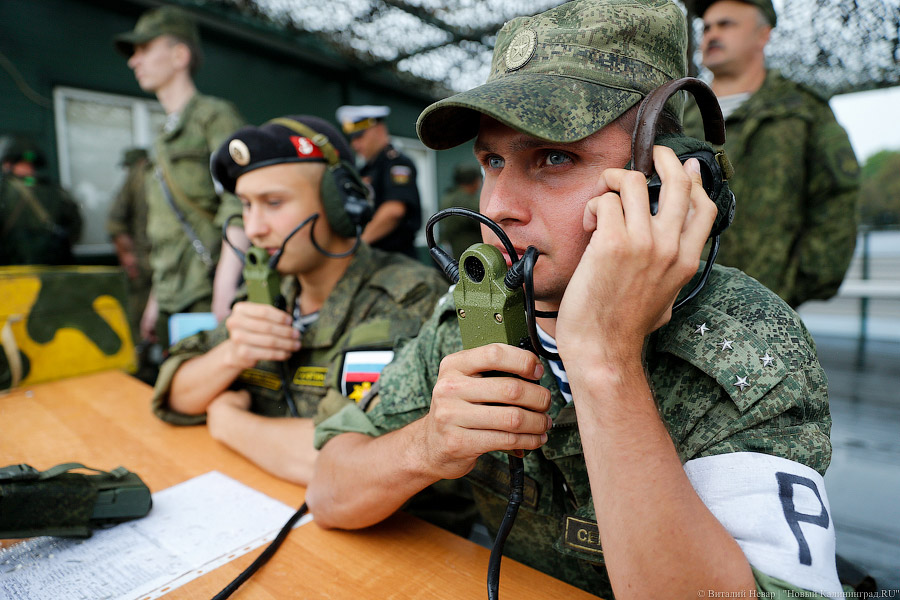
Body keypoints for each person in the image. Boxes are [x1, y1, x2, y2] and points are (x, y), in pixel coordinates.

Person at [307, 1, 845, 599]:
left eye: (554, 157)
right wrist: (428, 444)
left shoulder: (748, 342)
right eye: (492, 161)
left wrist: (603, 361)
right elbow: (328, 490)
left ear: (663, 185)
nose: (497, 207)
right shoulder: (475, 311)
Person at [150, 116, 449, 486]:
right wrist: (234, 353)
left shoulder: (410, 297)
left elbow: (353, 462)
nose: (254, 228)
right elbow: (174, 395)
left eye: (273, 202)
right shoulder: (269, 292)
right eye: (246, 205)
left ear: (340, 203)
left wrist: (228, 422)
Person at [684, 0, 860, 308]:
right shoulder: (679, 114)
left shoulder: (803, 110)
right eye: (707, 27)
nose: (711, 34)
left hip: (766, 306)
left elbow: (836, 197)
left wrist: (796, 282)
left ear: (763, 35)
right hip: (681, 300)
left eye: (726, 24)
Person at [114, 5, 247, 348]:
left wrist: (224, 290)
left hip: (207, 293)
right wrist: (155, 301)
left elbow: (240, 202)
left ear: (179, 56)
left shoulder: (214, 117)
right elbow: (167, 227)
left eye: (145, 49)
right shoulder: (163, 136)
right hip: (171, 295)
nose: (134, 61)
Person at [336, 105, 422, 258]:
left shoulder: (396, 163)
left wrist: (356, 246)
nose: (355, 145)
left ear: (379, 130)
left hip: (395, 258)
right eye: (352, 138)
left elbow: (394, 211)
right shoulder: (365, 169)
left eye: (359, 136)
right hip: (371, 255)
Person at [0, 134, 82, 266]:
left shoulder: (4, 190)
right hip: (52, 270)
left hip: (12, 271)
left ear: (8, 164)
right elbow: (75, 227)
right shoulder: (56, 191)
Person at [107, 147, 153, 348]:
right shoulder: (161, 173)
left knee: (139, 318)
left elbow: (115, 222)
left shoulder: (135, 178)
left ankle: (141, 356)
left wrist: (127, 256)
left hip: (144, 261)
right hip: (164, 260)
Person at [437, 163, 484, 258]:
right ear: (475, 181)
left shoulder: (448, 197)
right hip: (469, 253)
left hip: (450, 253)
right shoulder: (467, 201)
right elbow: (486, 223)